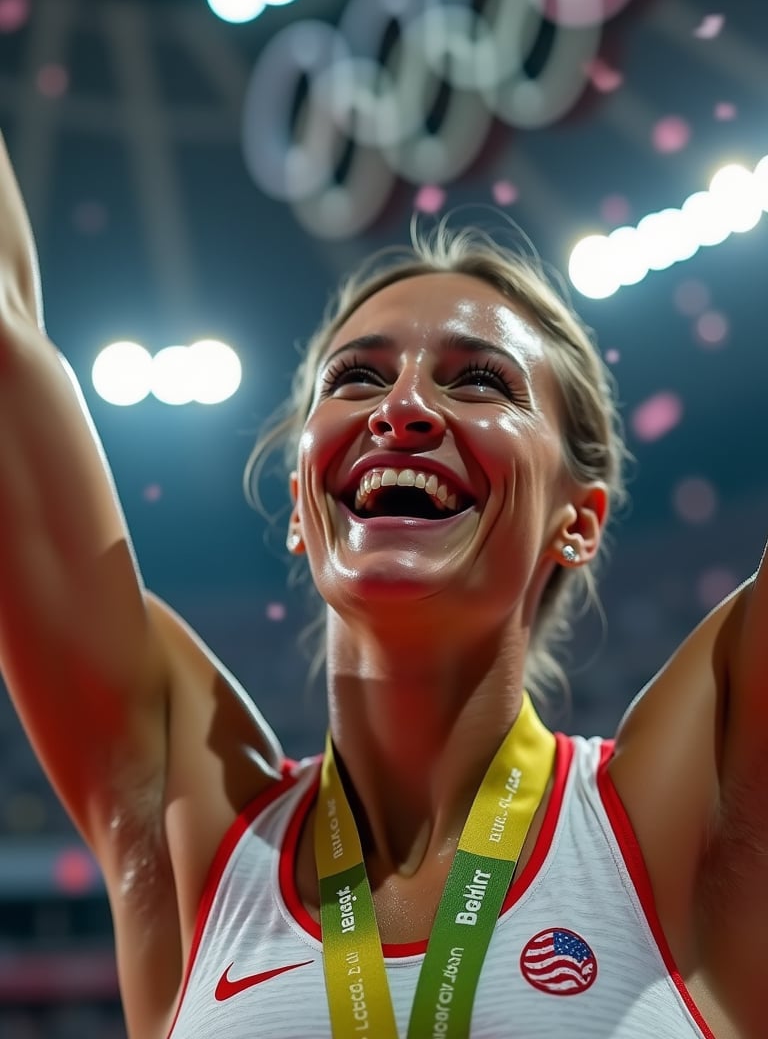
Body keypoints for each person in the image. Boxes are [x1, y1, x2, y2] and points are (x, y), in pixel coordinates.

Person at [0, 129, 765, 1039]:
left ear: (579, 518)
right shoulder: (192, 822)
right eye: (357, 376)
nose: (401, 409)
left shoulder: (693, 807)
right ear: (298, 504)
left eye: (480, 382)